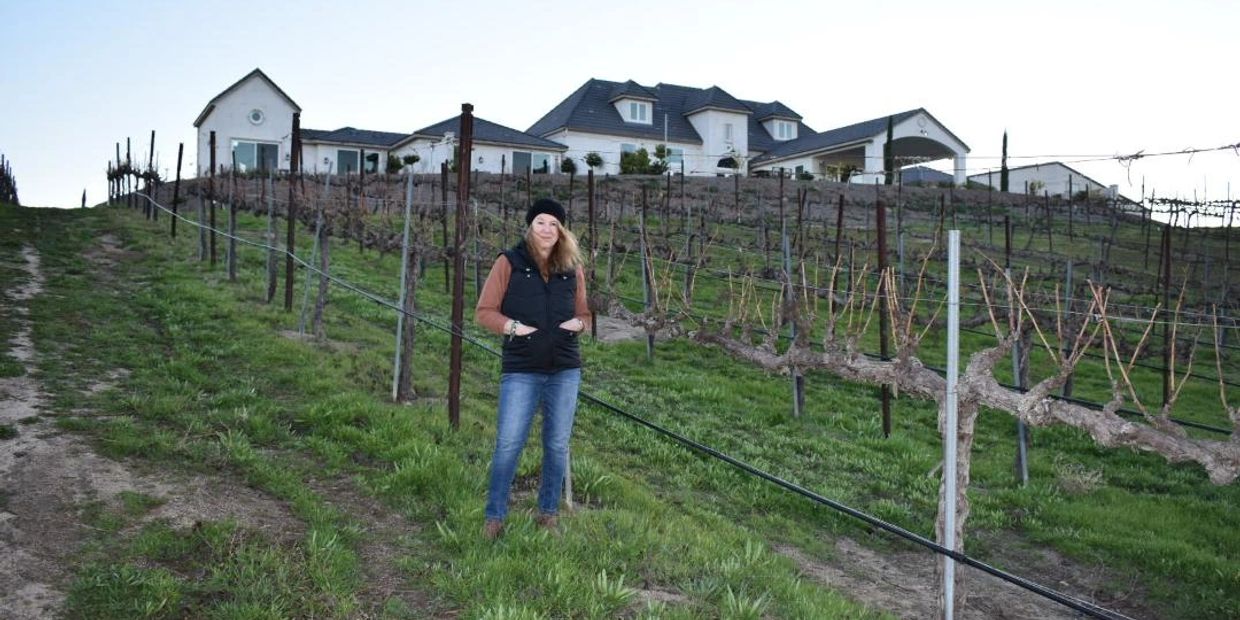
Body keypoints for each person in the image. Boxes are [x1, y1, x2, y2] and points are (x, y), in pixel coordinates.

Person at [475, 197, 590, 540]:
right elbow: (484, 311)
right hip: (522, 368)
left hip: (564, 369)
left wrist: (579, 325)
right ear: (530, 226)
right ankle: (494, 517)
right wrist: (513, 328)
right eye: (541, 222)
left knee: (556, 445)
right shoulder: (508, 262)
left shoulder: (572, 267)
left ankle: (548, 513)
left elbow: (585, 314)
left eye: (554, 224)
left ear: (561, 230)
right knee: (509, 443)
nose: (547, 229)